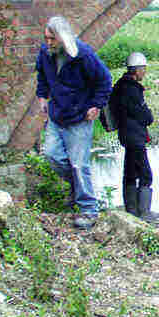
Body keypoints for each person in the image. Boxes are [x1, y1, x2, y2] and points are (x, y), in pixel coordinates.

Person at [36, 15, 112, 230]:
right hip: (57, 115)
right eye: (46, 38)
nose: (48, 43)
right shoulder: (45, 53)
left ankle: (89, 210)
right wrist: (42, 96)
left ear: (63, 37)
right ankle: (78, 187)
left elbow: (104, 80)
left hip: (79, 117)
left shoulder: (83, 55)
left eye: (53, 39)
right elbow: (41, 76)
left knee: (79, 165)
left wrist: (96, 105)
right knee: (52, 156)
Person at [109, 51, 159, 224]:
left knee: (130, 172)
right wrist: (149, 116)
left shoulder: (119, 86)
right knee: (145, 174)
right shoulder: (132, 89)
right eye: (143, 69)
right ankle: (144, 212)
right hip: (135, 136)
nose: (144, 72)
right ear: (137, 70)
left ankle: (131, 209)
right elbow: (145, 116)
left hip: (125, 134)